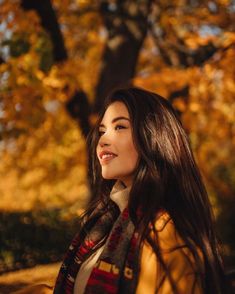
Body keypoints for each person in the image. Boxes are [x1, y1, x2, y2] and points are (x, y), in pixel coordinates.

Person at [14, 87, 227, 294]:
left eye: (120, 127)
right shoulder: (105, 224)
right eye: (101, 131)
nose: (103, 140)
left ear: (154, 137)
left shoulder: (165, 234)